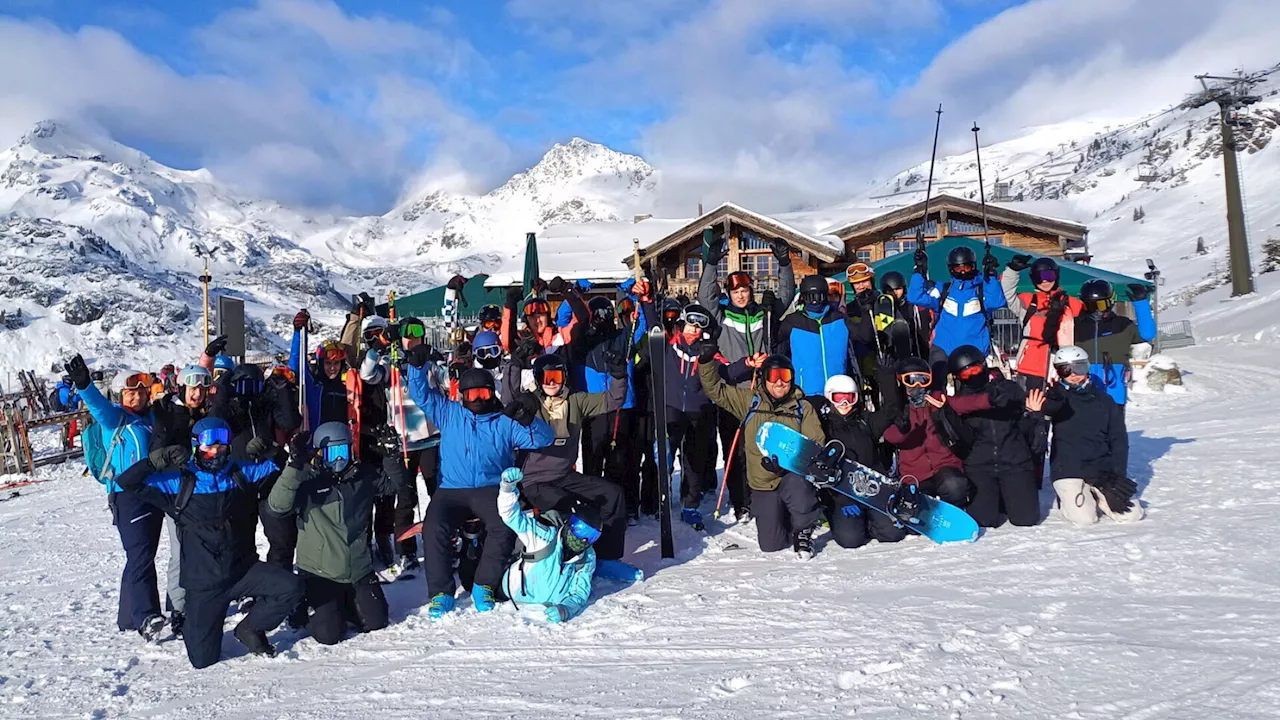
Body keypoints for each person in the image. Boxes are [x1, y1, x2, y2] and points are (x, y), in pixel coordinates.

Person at [114, 418, 303, 668]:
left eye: (222, 446)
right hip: (204, 585)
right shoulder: (179, 482)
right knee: (203, 660)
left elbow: (279, 468)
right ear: (195, 447)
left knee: (290, 586)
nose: (216, 452)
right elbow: (127, 483)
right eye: (208, 446)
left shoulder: (240, 473)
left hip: (243, 571)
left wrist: (273, 450)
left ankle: (250, 629)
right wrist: (155, 461)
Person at [403, 349, 555, 619]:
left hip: (490, 489)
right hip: (452, 489)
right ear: (461, 396)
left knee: (503, 525)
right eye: (471, 395)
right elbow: (422, 395)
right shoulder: (449, 413)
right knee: (435, 526)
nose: (477, 400)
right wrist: (416, 368)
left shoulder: (504, 421)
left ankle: (484, 585)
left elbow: (544, 439)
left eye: (483, 394)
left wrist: (529, 418)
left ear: (491, 394)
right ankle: (441, 592)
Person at [267, 421, 407, 644]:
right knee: (328, 635)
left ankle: (346, 603)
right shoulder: (307, 479)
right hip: (320, 573)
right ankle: (305, 605)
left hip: (358, 570)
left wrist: (392, 455)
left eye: (343, 451)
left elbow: (397, 484)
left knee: (376, 623)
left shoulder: (362, 477)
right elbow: (277, 506)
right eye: (332, 453)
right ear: (320, 454)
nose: (339, 460)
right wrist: (294, 466)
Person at [698, 232, 795, 523]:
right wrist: (711, 265)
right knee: (735, 449)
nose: (741, 295)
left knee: (764, 446)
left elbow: (788, 294)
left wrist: (784, 263)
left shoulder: (764, 312)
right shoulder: (722, 315)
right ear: (729, 293)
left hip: (763, 391)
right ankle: (741, 501)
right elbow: (705, 296)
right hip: (733, 391)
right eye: (735, 291)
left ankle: (767, 495)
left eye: (745, 290)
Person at [64, 355, 162, 639]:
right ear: (121, 394)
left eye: (142, 391)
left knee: (141, 556)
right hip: (126, 496)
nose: (138, 396)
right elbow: (96, 405)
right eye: (131, 392)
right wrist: (84, 384)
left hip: (153, 493)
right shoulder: (114, 418)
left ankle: (128, 617)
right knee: (141, 556)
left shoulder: (151, 419)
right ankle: (146, 617)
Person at [699, 352, 825, 557]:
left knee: (797, 485)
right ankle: (782, 517)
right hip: (763, 483)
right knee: (771, 545)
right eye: (773, 376)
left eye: (784, 376)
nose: (779, 382)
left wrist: (788, 462)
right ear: (764, 377)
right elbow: (715, 391)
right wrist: (705, 362)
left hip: (792, 476)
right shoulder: (750, 402)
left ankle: (803, 529)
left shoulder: (803, 407)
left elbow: (815, 444)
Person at [514, 353, 631, 574]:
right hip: (534, 481)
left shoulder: (575, 400)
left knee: (612, 494)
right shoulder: (531, 402)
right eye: (547, 377)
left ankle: (608, 558)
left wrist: (618, 374)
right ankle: (565, 560)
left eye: (556, 377)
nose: (551, 383)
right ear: (538, 378)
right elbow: (509, 408)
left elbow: (613, 399)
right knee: (569, 506)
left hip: (564, 475)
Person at [359, 314, 441, 574]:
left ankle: (443, 542)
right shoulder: (390, 362)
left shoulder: (430, 359)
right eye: (407, 332)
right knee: (405, 499)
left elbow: (448, 382)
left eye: (418, 332)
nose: (413, 337)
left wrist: (438, 362)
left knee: (438, 494)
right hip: (402, 440)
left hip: (430, 437)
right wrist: (379, 347)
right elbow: (367, 374)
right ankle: (407, 552)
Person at [211, 362, 303, 572]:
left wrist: (282, 393)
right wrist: (222, 395)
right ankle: (249, 585)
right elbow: (214, 425)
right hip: (240, 481)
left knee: (283, 537)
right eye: (243, 386)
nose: (249, 392)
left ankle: (280, 580)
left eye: (254, 385)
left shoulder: (266, 404)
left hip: (269, 477)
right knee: (241, 541)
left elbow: (289, 422)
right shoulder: (231, 410)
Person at [1039, 346, 1142, 525]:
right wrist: (1039, 410)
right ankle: (1070, 495)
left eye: (1079, 368)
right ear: (1058, 372)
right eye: (1066, 370)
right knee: (1085, 519)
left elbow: (1118, 440)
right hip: (1069, 468)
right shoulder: (1055, 399)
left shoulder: (1104, 401)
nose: (1073, 375)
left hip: (1100, 469)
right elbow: (1042, 424)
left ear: (1087, 368)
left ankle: (1098, 492)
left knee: (1132, 514)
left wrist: (1118, 475)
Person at [947, 345, 1047, 528]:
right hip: (980, 466)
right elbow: (954, 408)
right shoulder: (962, 401)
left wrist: (999, 395)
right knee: (984, 521)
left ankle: (1009, 495)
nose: (971, 377)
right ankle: (998, 498)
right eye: (965, 375)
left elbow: (1014, 393)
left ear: (983, 366)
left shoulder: (1004, 387)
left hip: (1014, 462)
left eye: (975, 370)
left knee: (1026, 520)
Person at [880, 357, 993, 512]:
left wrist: (991, 398)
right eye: (911, 380)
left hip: (945, 466)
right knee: (914, 505)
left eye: (923, 380)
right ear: (901, 382)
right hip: (914, 473)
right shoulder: (899, 409)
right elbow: (890, 436)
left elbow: (966, 403)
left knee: (954, 486)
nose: (918, 386)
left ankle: (955, 507)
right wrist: (903, 429)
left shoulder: (936, 400)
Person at [810, 373, 907, 549]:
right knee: (850, 540)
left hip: (872, 491)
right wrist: (840, 500)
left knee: (893, 534)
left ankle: (870, 521)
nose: (844, 404)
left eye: (850, 398)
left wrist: (887, 379)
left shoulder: (865, 421)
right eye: (838, 398)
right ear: (829, 397)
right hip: (843, 496)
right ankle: (837, 517)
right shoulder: (822, 427)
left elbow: (891, 410)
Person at [496, 468, 599, 623]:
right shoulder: (543, 537)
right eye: (579, 529)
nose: (583, 540)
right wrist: (507, 490)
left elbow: (579, 593)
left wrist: (565, 610)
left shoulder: (587, 557)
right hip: (513, 597)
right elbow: (511, 516)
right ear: (569, 525)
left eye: (591, 536)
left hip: (545, 611)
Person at [656, 304, 723, 527]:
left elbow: (728, 369)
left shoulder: (707, 352)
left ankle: (690, 504)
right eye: (689, 327)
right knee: (664, 454)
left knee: (694, 460)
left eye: (697, 329)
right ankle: (659, 498)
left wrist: (749, 365)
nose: (693, 332)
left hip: (698, 410)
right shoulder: (670, 344)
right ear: (681, 326)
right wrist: (646, 300)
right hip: (672, 407)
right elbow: (653, 326)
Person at [908, 245, 1007, 390]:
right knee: (935, 388)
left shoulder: (980, 289)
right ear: (950, 269)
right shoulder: (944, 290)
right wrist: (919, 272)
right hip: (943, 347)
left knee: (970, 393)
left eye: (966, 267)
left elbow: (997, 302)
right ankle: (937, 411)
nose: (962, 271)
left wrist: (991, 276)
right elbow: (915, 297)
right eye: (957, 268)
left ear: (973, 266)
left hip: (973, 351)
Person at [1000, 255, 1082, 390]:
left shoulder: (1069, 302)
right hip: (1030, 364)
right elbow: (1006, 294)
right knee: (1030, 405)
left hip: (1061, 365)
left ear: (1056, 275)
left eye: (1048, 276)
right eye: (1039, 277)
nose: (1044, 281)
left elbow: (1089, 317)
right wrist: (1012, 271)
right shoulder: (1028, 301)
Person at [1074, 279, 1156, 409]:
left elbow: (1147, 334)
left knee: (1113, 428)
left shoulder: (1121, 325)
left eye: (1100, 305)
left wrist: (1140, 303)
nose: (1096, 311)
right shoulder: (1075, 325)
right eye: (1090, 305)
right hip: (1081, 388)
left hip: (1112, 388)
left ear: (1110, 302)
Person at [779, 275, 860, 396]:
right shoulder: (793, 321)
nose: (814, 301)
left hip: (838, 391)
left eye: (818, 296)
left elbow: (864, 337)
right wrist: (769, 314)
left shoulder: (839, 319)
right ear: (803, 298)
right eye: (810, 297)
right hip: (806, 392)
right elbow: (776, 346)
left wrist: (865, 308)